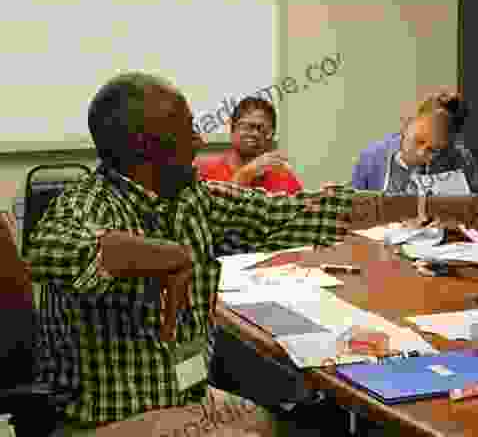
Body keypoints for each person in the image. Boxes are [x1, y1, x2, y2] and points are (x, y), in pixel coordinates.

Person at [24, 72, 355, 434]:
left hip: (180, 395)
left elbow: (293, 212)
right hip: (104, 419)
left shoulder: (189, 197)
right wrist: (171, 255)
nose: (199, 140)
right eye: (187, 130)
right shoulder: (86, 203)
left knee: (280, 425)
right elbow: (50, 250)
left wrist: (420, 204)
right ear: (145, 146)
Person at [351, 92, 478, 196]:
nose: (422, 153)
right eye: (418, 141)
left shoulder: (462, 159)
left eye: (434, 150)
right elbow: (353, 208)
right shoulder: (371, 158)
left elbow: (476, 210)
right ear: (405, 125)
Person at [195, 96, 303, 195]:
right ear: (232, 127)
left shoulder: (285, 178)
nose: (255, 134)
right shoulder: (204, 172)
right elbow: (213, 213)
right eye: (247, 126)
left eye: (262, 129)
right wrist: (245, 174)